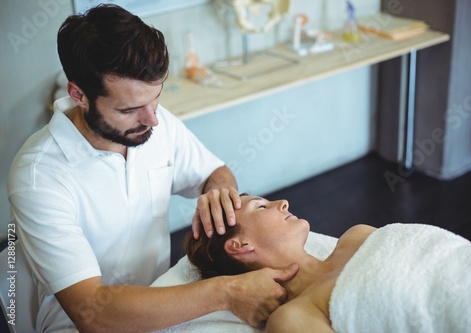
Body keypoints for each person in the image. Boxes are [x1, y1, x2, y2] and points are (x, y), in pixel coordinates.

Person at [7, 5, 297, 332]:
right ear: (79, 95)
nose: (153, 119)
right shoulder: (39, 176)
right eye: (130, 109)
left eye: (155, 98)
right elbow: (90, 312)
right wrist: (227, 293)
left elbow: (214, 172)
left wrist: (218, 192)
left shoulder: (156, 125)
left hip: (161, 300)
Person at [184, 194, 471, 333]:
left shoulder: (356, 236)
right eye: (262, 205)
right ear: (240, 246)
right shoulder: (293, 319)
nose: (283, 203)